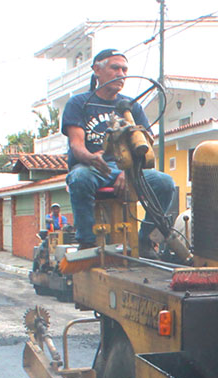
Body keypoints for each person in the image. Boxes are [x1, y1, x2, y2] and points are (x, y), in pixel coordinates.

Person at [63, 48, 178, 255]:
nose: (121, 74)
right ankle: (87, 243)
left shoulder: (131, 107)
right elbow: (76, 145)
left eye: (124, 69)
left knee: (164, 183)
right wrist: (90, 157)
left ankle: (145, 240)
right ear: (97, 70)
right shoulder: (79, 103)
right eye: (115, 68)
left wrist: (128, 171)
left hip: (127, 170)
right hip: (93, 169)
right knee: (79, 178)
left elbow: (144, 146)